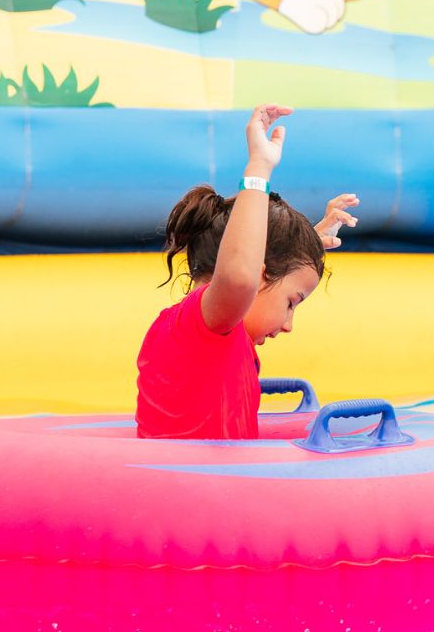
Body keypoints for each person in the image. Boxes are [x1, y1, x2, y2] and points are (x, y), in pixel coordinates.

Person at [136, 104, 358, 439]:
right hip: (195, 489)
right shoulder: (208, 324)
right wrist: (259, 167)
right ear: (258, 274)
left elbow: (251, 272)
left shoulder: (217, 330)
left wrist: (306, 243)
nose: (288, 325)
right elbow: (240, 276)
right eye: (291, 302)